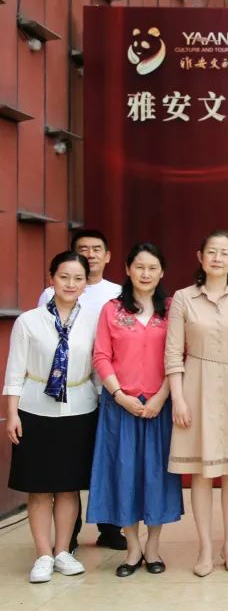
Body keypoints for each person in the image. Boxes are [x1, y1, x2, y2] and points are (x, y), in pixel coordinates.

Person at [165, 230, 228, 577]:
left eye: (224, 253)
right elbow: (173, 353)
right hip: (196, 387)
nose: (217, 258)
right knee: (202, 473)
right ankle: (205, 549)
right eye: (212, 252)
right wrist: (178, 398)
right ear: (200, 256)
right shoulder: (184, 298)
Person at [87, 243, 183, 576]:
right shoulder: (111, 310)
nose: (145, 274)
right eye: (139, 267)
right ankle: (132, 549)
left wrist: (161, 398)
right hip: (120, 407)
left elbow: (180, 356)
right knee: (123, 474)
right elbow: (101, 356)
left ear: (162, 272)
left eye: (152, 268)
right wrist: (119, 395)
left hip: (159, 406)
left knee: (157, 476)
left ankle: (153, 548)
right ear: (128, 269)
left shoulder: (172, 309)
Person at [4, 252, 96, 583]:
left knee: (69, 487)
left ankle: (62, 551)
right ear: (52, 278)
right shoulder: (29, 321)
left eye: (78, 278)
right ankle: (43, 554)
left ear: (85, 284)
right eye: (64, 276)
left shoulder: (94, 321)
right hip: (35, 410)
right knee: (40, 488)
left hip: (80, 409)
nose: (70, 284)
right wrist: (11, 413)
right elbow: (15, 370)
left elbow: (99, 368)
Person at [37, 229, 125, 552]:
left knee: (109, 461)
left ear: (108, 256)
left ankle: (110, 529)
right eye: (83, 248)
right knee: (69, 465)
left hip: (110, 391)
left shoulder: (118, 293)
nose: (90, 253)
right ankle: (68, 536)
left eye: (96, 248)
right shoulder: (50, 295)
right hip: (68, 392)